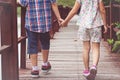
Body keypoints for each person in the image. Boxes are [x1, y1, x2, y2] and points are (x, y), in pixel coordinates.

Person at [60, 0, 107, 80]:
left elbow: (74, 10)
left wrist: (66, 21)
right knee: (95, 47)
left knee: (86, 48)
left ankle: (86, 70)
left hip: (83, 25)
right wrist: (105, 24)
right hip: (96, 25)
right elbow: (102, 10)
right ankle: (94, 66)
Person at [19, 0, 63, 78]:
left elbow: (22, 3)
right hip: (45, 22)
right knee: (45, 42)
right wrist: (59, 18)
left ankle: (35, 69)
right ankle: (45, 64)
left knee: (32, 44)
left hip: (31, 22)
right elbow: (54, 4)